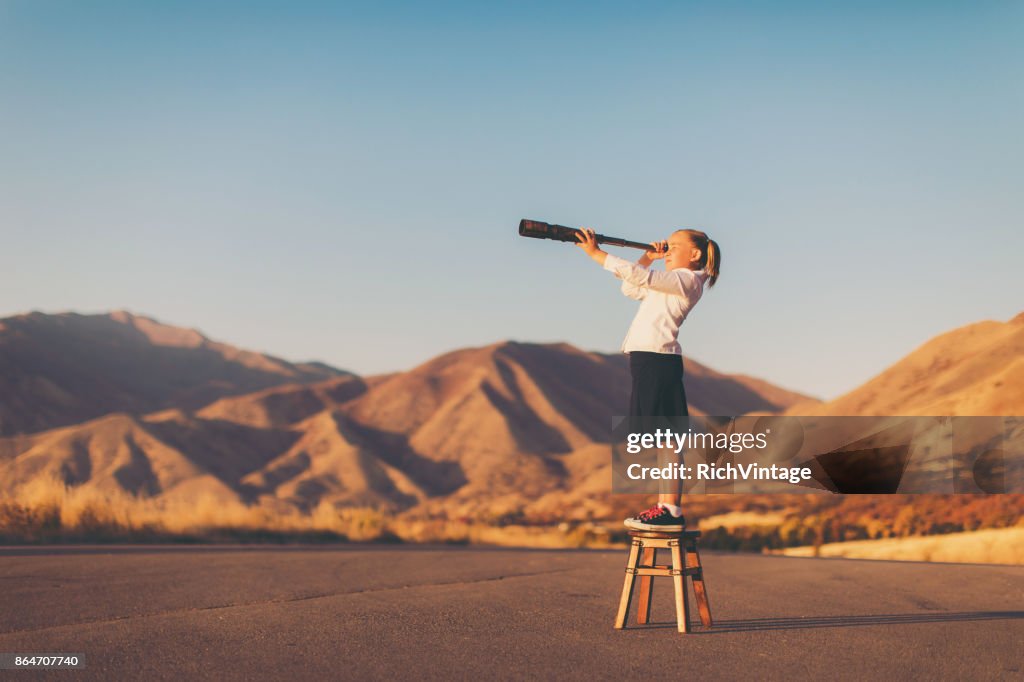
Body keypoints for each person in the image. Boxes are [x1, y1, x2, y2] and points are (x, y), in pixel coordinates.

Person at [575, 227, 721, 531]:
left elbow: (640, 278)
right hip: (650, 360)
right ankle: (666, 506)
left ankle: (670, 508)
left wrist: (596, 254)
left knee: (668, 438)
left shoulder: (687, 280)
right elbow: (630, 287)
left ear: (694, 254)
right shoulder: (671, 283)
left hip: (658, 360)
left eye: (673, 246)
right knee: (663, 437)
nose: (666, 251)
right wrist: (647, 257)